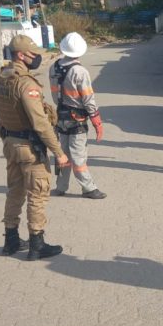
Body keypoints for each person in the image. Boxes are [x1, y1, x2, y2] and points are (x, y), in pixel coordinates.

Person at [0, 34, 68, 260]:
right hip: (29, 147)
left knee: (14, 191)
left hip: (10, 144)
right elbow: (40, 123)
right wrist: (59, 152)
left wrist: (5, 138)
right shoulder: (25, 84)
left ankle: (11, 240)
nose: (37, 58)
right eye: (33, 54)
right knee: (38, 193)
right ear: (21, 55)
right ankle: (37, 243)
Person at [48, 32, 106, 200]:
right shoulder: (80, 71)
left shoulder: (53, 67)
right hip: (77, 120)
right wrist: (97, 122)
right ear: (80, 51)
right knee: (78, 156)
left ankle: (60, 187)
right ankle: (89, 188)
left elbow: (54, 95)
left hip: (61, 117)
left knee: (63, 154)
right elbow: (88, 99)